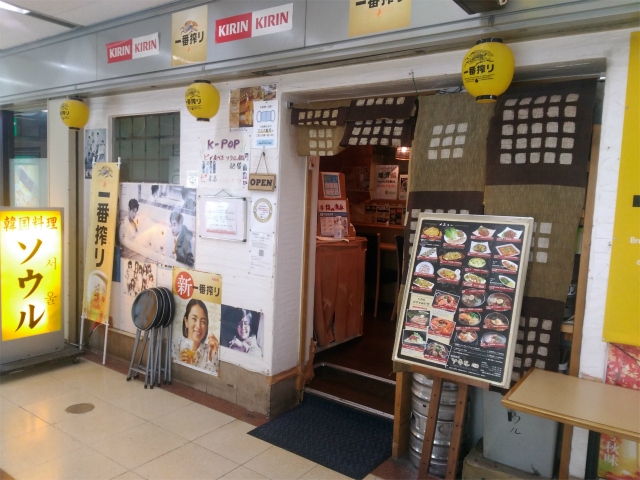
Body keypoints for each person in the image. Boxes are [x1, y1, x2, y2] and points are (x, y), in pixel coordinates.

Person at [172, 299, 219, 373]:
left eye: (203, 322)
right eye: (194, 319)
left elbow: (212, 377)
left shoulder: (210, 351)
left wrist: (211, 356)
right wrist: (179, 363)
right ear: (186, 321)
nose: (198, 326)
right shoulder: (175, 345)